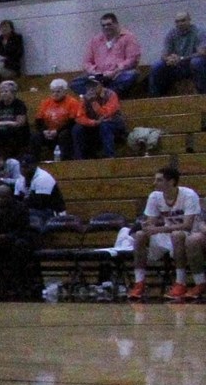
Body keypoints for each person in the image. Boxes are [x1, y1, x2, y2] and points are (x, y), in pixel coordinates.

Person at [129, 167, 202, 302]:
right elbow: (151, 223)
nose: (154, 183)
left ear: (171, 182)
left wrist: (159, 229)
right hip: (167, 231)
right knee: (139, 235)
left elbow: (187, 225)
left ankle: (181, 283)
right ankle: (139, 282)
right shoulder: (155, 196)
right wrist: (146, 226)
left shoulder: (188, 195)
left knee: (177, 234)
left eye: (159, 180)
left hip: (188, 234)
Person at [72, 12, 140, 96]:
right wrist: (94, 72)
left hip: (118, 75)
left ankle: (105, 95)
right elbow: (87, 62)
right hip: (99, 77)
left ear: (116, 24)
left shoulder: (128, 37)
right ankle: (103, 94)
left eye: (109, 24)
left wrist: (115, 72)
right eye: (103, 25)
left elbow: (132, 59)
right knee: (75, 83)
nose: (106, 27)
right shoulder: (95, 40)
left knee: (131, 75)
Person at [149, 11, 206, 97]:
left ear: (189, 20)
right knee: (156, 66)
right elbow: (164, 54)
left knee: (196, 62)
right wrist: (168, 59)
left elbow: (202, 52)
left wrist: (182, 58)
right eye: (177, 21)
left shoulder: (199, 31)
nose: (180, 23)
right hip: (177, 66)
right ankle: (155, 99)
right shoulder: (171, 33)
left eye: (183, 20)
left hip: (194, 66)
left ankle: (203, 95)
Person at [74, 74, 126, 159]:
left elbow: (106, 114)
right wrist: (93, 122)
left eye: (94, 85)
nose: (91, 88)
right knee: (77, 129)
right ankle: (80, 159)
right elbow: (79, 117)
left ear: (101, 85)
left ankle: (109, 156)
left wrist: (94, 102)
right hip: (95, 124)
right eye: (89, 85)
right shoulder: (84, 98)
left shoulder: (110, 94)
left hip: (113, 123)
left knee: (105, 125)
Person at [0, 78, 30, 159]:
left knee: (13, 133)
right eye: (1, 92)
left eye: (6, 91)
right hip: (2, 130)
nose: (3, 94)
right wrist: (9, 123)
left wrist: (3, 123)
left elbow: (19, 123)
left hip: (17, 131)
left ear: (13, 93)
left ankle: (12, 157)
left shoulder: (19, 104)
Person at [34, 78, 80, 160]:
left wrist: (57, 131)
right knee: (36, 136)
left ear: (65, 91)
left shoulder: (72, 102)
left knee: (64, 135)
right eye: (53, 92)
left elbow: (72, 122)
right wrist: (44, 131)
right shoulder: (46, 102)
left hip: (64, 132)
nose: (55, 94)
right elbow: (38, 120)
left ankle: (64, 160)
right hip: (48, 132)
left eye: (58, 91)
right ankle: (35, 160)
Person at [0, 19, 24, 85]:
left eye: (6, 27)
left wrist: (5, 58)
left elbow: (19, 53)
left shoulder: (17, 38)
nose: (4, 29)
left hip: (11, 66)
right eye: (2, 28)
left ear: (11, 28)